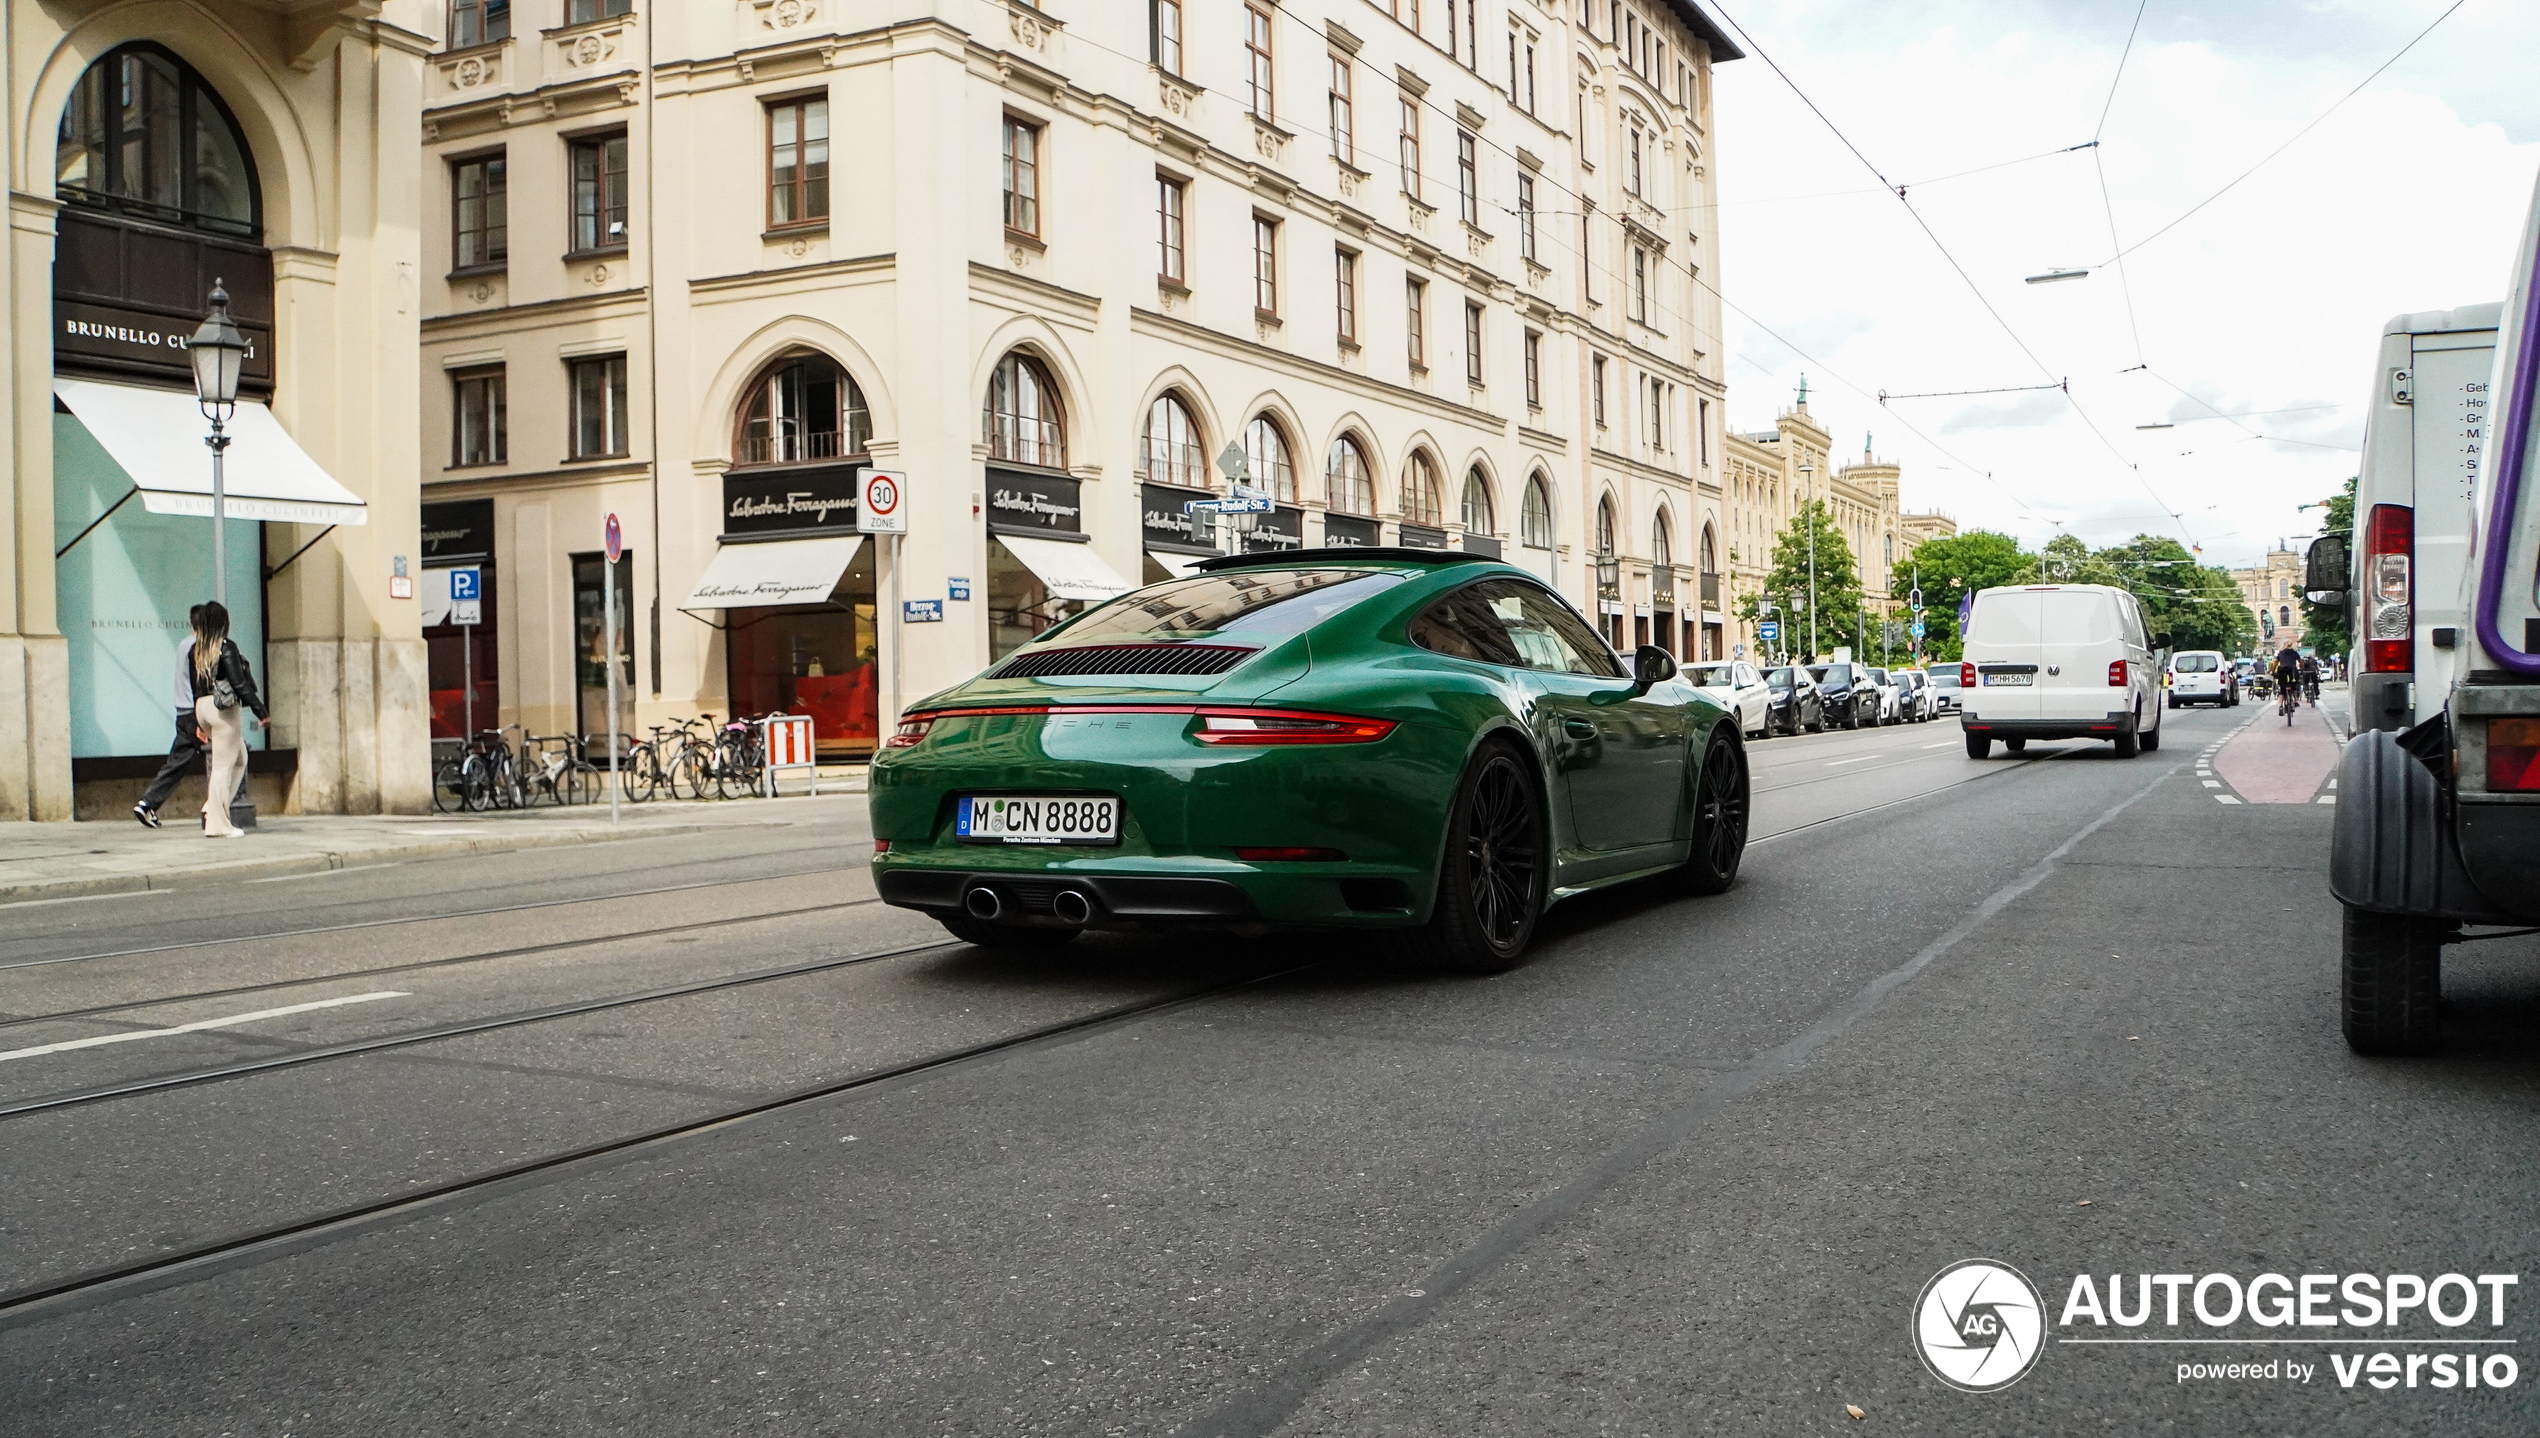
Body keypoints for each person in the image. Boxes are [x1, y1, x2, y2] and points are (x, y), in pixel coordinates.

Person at [188, 601, 266, 838]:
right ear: (223, 622)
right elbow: (239, 683)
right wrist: (260, 711)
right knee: (222, 767)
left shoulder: (197, 649)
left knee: (240, 757)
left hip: (202, 707)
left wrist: (196, 722)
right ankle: (217, 824)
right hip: (222, 709)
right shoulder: (226, 647)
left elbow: (193, 686)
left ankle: (213, 807)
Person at [133, 605, 208, 828]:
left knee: (177, 763)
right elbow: (198, 684)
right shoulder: (197, 647)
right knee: (225, 757)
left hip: (183, 712)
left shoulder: (184, 643)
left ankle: (148, 804)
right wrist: (200, 719)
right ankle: (216, 810)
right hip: (195, 713)